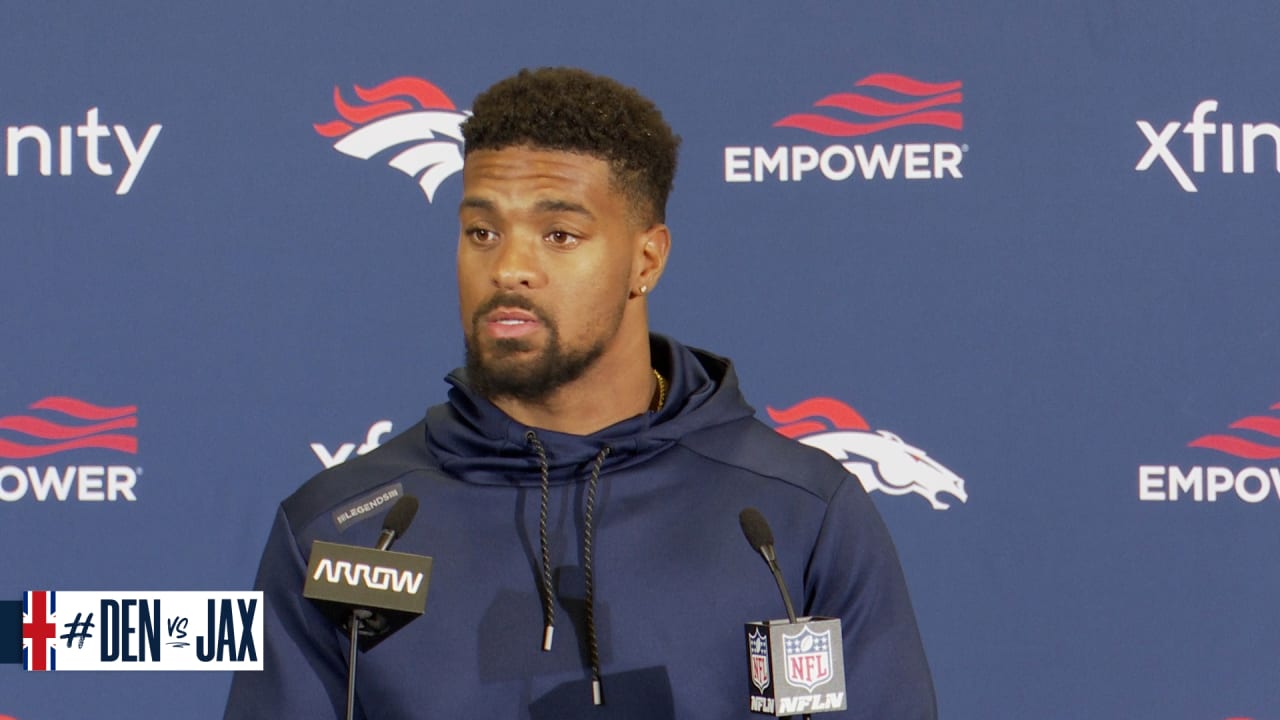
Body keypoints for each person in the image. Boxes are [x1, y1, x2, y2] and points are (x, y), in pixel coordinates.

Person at [224, 67, 936, 719]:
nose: (509, 268)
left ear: (646, 258)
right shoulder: (343, 531)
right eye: (481, 231)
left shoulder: (794, 519)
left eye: (559, 234)